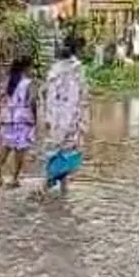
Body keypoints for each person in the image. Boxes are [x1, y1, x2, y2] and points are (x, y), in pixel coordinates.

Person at [42, 35, 90, 194]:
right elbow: (82, 94)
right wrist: (83, 118)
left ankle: (57, 185)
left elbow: (48, 93)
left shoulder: (54, 69)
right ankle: (52, 185)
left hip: (55, 116)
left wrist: (47, 116)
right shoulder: (77, 68)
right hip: (70, 115)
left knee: (56, 149)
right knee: (68, 151)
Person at [0, 55, 38, 188]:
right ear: (27, 67)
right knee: (20, 149)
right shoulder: (28, 83)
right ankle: (14, 178)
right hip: (23, 119)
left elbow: (2, 99)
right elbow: (32, 101)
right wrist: (35, 118)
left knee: (6, 147)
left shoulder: (8, 81)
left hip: (8, 118)